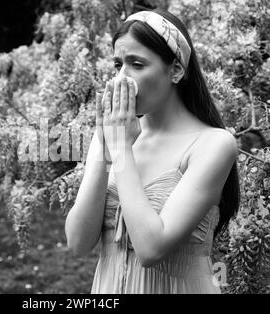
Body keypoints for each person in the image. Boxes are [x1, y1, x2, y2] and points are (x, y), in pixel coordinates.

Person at [64, 9, 240, 294]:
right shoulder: (114, 135)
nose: (122, 78)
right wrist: (103, 145)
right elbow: (78, 242)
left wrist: (121, 149)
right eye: (118, 64)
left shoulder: (213, 144)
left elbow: (151, 249)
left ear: (176, 70)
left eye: (137, 64)